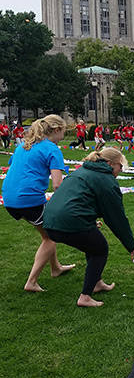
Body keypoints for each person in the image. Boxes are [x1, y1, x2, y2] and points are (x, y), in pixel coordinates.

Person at [43, 148, 134, 307]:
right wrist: (130, 245)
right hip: (69, 221)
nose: (121, 170)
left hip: (50, 221)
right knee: (100, 249)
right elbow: (116, 218)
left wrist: (89, 219)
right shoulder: (106, 180)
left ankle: (97, 283)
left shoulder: (82, 171)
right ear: (110, 164)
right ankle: (85, 296)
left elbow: (78, 198)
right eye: (120, 166)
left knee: (92, 244)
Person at [2, 115, 75, 292]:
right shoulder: (52, 149)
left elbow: (16, 168)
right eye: (64, 131)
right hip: (29, 199)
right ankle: (32, 282)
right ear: (56, 130)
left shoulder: (23, 145)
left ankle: (55, 268)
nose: (63, 135)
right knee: (51, 237)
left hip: (9, 197)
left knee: (47, 232)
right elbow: (57, 184)